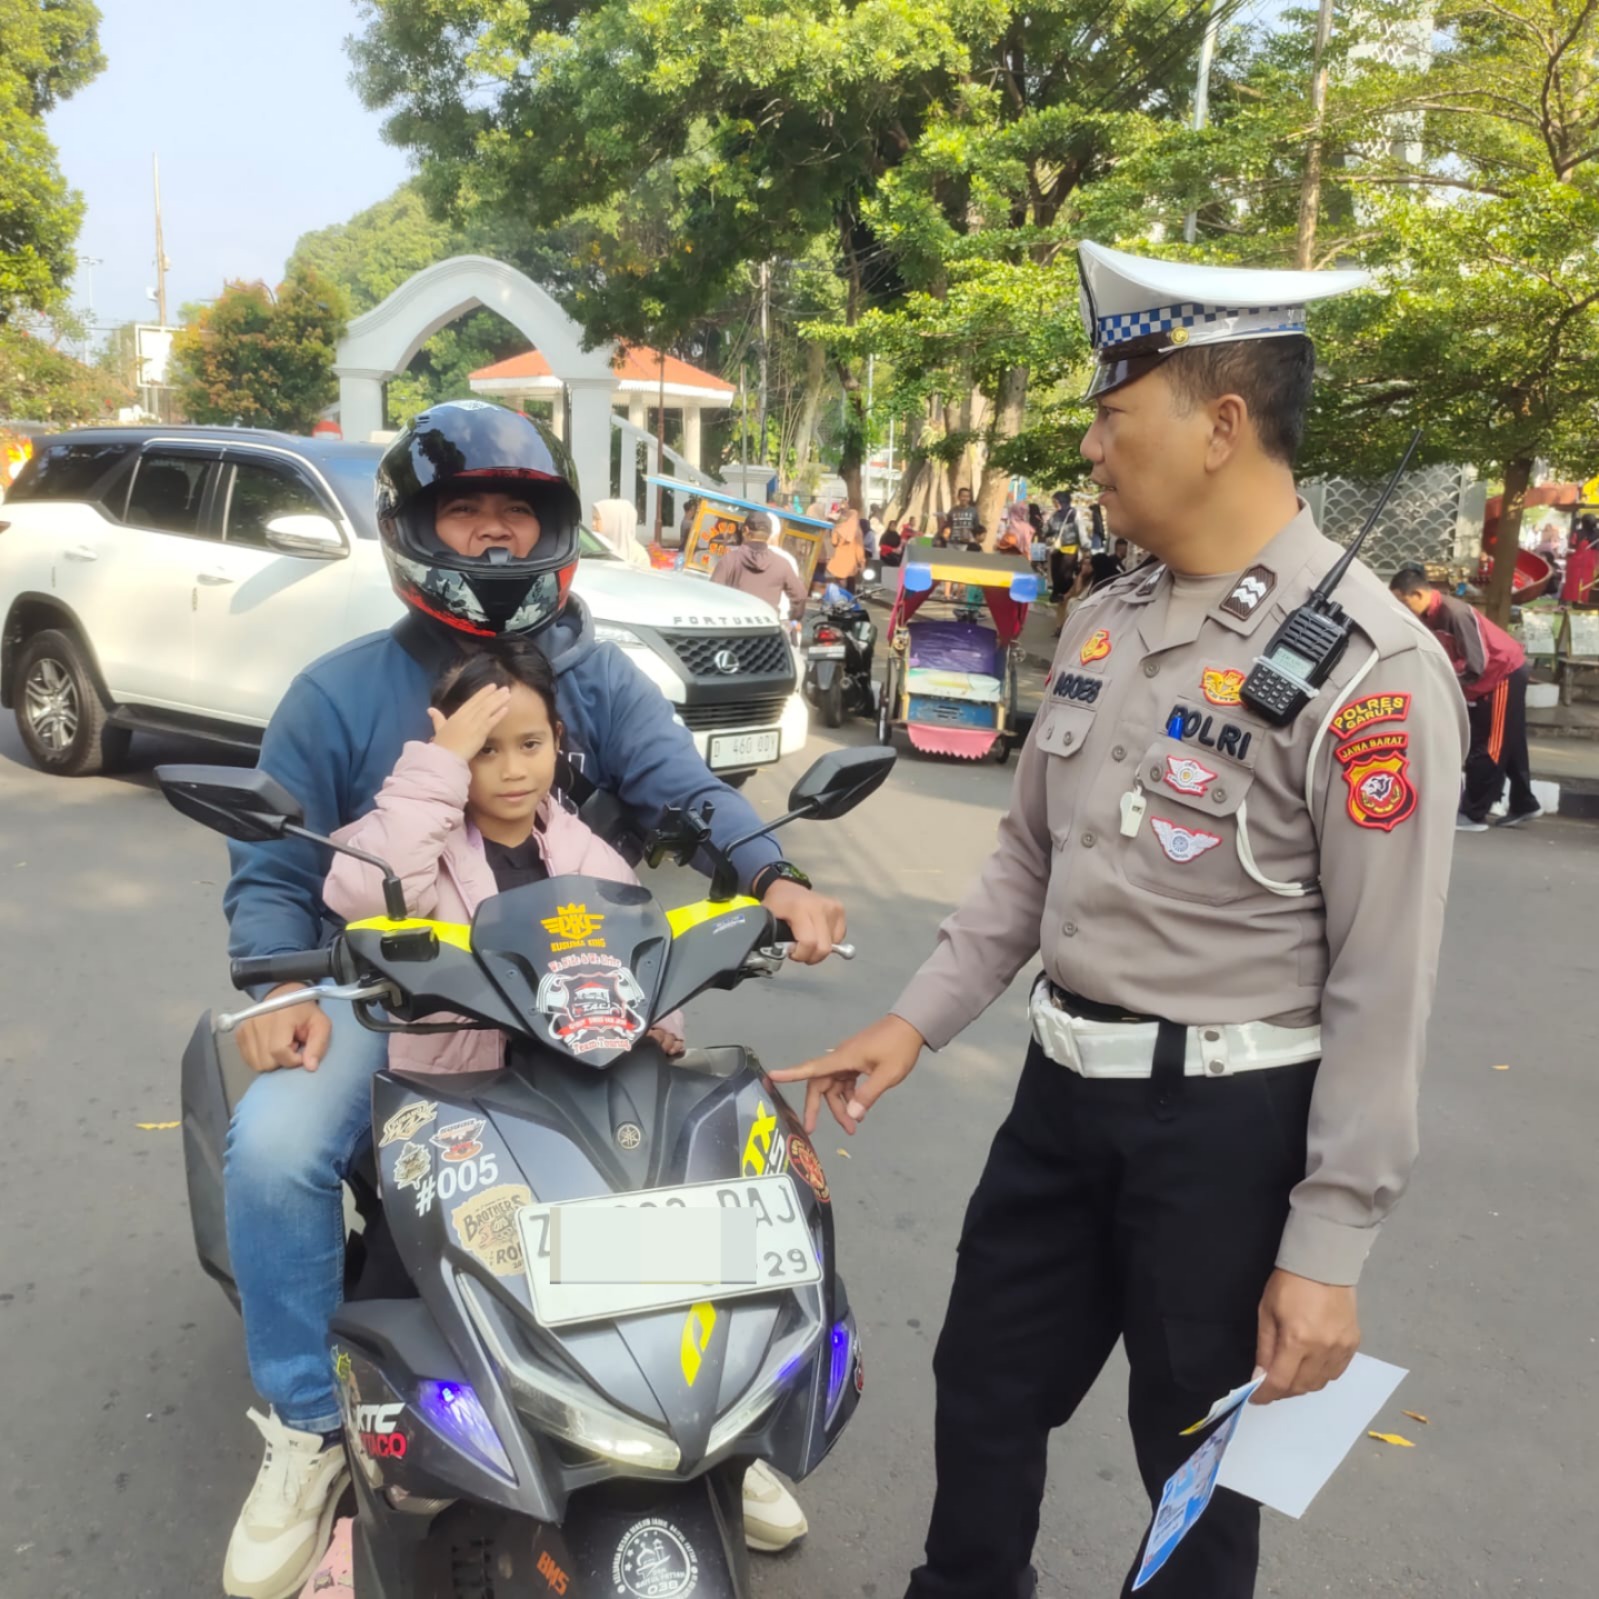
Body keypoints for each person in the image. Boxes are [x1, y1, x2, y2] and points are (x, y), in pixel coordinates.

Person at [774, 240, 1468, 1599]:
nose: (1091, 446)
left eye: (1112, 412)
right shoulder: (1108, 617)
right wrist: (911, 1023)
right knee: (981, 1384)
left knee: (1197, 1470)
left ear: (1218, 425)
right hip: (1057, 1098)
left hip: (1226, 1130)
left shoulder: (1368, 667)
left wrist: (1323, 1248)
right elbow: (1028, 860)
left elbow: (1380, 988)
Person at [219, 401, 834, 1599]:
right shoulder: (336, 694)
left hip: (571, 987)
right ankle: (306, 1428)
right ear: (415, 529)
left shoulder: (594, 676)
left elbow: (682, 786)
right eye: (468, 511)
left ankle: (719, 1413)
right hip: (389, 996)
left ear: (552, 530)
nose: (496, 539)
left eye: (519, 513)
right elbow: (278, 873)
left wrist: (777, 874)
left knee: (700, 1138)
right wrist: (284, 986)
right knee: (278, 1147)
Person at [323, 641, 686, 1063]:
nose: (513, 770)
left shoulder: (592, 857)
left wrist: (660, 1025)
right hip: (456, 1095)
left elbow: (644, 955)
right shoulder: (416, 846)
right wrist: (439, 764)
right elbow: (367, 898)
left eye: (530, 744)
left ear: (556, 739)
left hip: (579, 1087)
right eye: (485, 749)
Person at [1390, 566, 1541, 830]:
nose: (1402, 609)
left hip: (1502, 672)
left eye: (1403, 602)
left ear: (1417, 593)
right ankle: (1524, 803)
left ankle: (1474, 813)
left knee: (1489, 745)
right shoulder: (1427, 615)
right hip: (1484, 679)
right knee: (1511, 741)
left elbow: (1476, 664)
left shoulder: (1455, 613)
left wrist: (1448, 688)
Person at [712, 509, 809, 621]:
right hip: (766, 630)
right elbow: (800, 596)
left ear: (745, 530)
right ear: (769, 535)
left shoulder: (730, 559)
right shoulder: (782, 564)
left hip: (734, 628)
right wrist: (793, 619)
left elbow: (713, 593)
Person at [592, 496, 652, 569]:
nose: (593, 524)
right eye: (593, 519)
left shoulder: (638, 556)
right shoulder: (593, 548)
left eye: (597, 519)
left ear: (613, 522)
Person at [825, 507, 867, 593]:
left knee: (839, 582)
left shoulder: (839, 528)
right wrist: (862, 562)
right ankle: (850, 599)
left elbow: (834, 542)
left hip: (838, 559)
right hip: (851, 562)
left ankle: (838, 598)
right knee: (850, 582)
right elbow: (859, 549)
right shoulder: (857, 532)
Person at [1562, 514, 1597, 605]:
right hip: (1591, 562)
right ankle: (1583, 601)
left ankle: (1571, 601)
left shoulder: (1577, 533)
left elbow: (1572, 547)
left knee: (1572, 583)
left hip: (1576, 561)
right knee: (1587, 583)